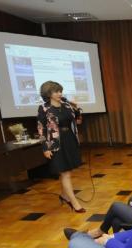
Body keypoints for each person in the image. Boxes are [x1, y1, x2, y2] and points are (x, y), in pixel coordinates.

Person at [37, 81, 85, 213]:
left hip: (69, 139)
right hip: (55, 143)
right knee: (65, 173)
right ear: (48, 93)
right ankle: (74, 202)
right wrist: (45, 148)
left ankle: (64, 196)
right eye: (56, 91)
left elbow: (78, 120)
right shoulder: (44, 108)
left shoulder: (66, 105)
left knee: (68, 170)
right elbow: (41, 129)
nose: (60, 93)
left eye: (60, 91)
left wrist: (76, 108)